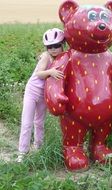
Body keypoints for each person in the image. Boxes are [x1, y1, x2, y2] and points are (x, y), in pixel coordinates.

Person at [16, 28, 65, 162]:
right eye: (50, 46)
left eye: (56, 46)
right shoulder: (46, 56)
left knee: (39, 122)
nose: (53, 49)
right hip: (32, 91)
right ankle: (22, 152)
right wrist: (51, 71)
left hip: (44, 94)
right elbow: (39, 73)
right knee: (27, 122)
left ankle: (38, 147)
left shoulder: (63, 57)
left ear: (62, 44)